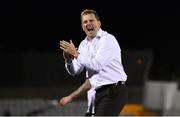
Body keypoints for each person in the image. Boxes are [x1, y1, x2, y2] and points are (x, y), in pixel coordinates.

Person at [59, 9, 128, 116]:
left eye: (91, 20)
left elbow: (97, 65)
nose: (88, 24)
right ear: (82, 26)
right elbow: (75, 71)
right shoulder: (83, 45)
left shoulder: (107, 39)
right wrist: (68, 60)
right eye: (85, 22)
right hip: (98, 93)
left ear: (99, 23)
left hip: (114, 90)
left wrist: (76, 54)